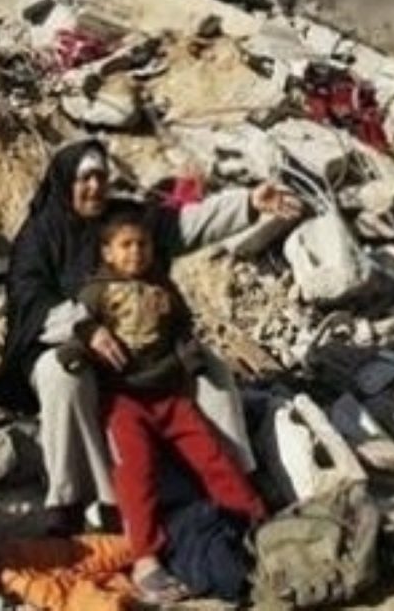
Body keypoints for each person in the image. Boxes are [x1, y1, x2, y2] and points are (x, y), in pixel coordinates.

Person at [0, 138, 299, 535]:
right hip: (65, 340)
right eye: (85, 178)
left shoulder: (124, 218)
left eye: (101, 176)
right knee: (61, 376)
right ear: (66, 180)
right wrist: (86, 328)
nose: (95, 187)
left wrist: (248, 204)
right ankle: (71, 499)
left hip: (144, 343)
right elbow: (30, 300)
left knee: (212, 372)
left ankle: (242, 478)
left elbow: (186, 225)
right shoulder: (39, 236)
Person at [61, 208, 265, 602]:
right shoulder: (96, 292)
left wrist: (190, 357)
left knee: (211, 456)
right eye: (126, 245)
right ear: (108, 252)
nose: (136, 252)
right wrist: (78, 349)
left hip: (170, 396)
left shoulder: (163, 288)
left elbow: (182, 328)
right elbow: (79, 327)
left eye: (143, 244)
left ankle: (253, 518)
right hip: (124, 400)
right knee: (135, 473)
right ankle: (145, 558)